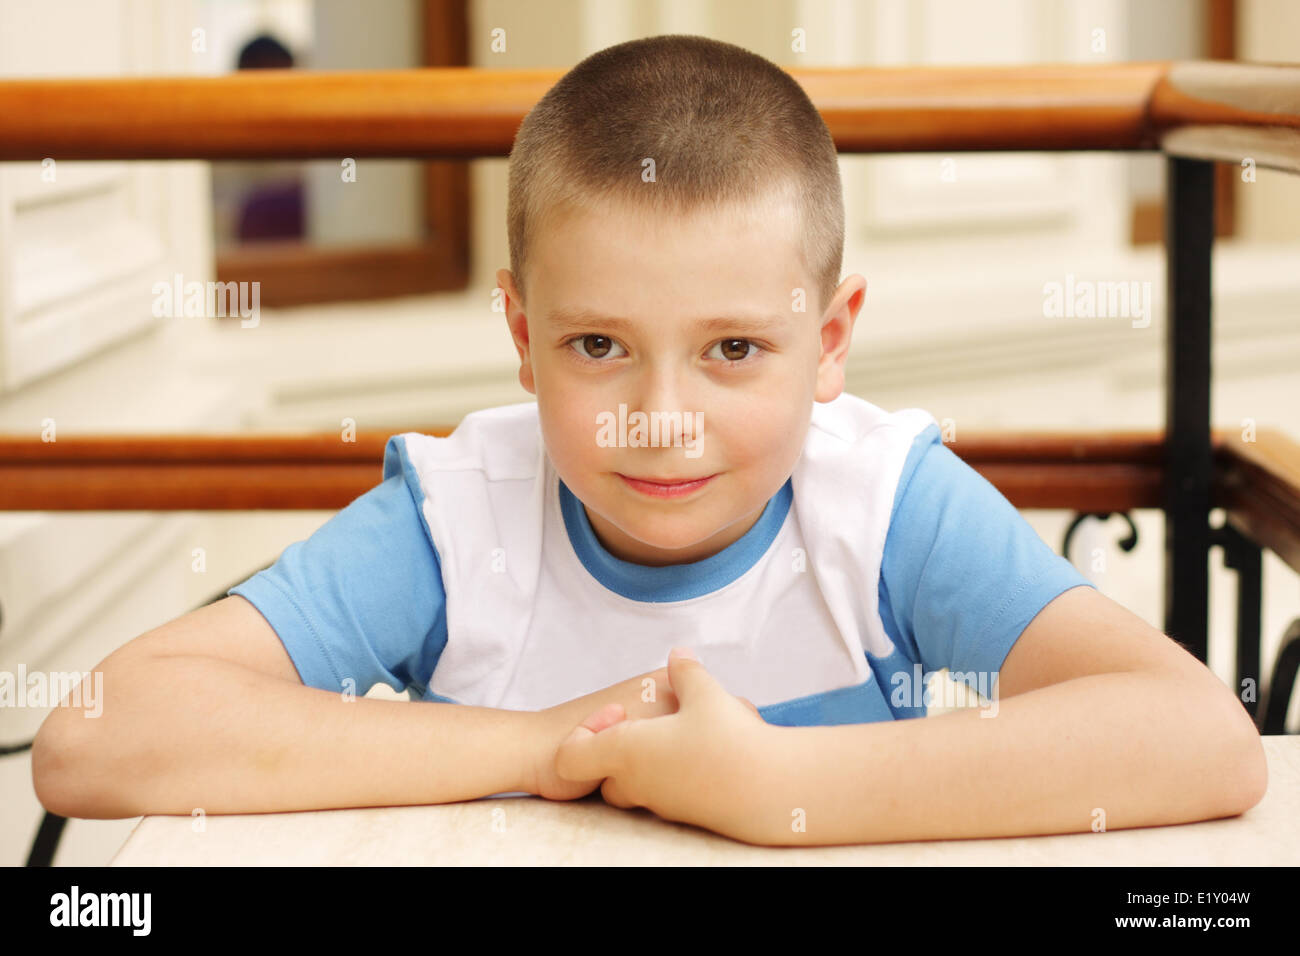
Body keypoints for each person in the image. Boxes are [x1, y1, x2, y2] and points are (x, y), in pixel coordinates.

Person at [32, 35, 1266, 847]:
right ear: (521, 334)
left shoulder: (883, 501)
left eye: (734, 349)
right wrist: (546, 740)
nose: (660, 416)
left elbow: (1199, 735)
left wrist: (776, 786)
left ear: (830, 342)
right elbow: (95, 733)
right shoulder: (457, 518)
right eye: (597, 347)